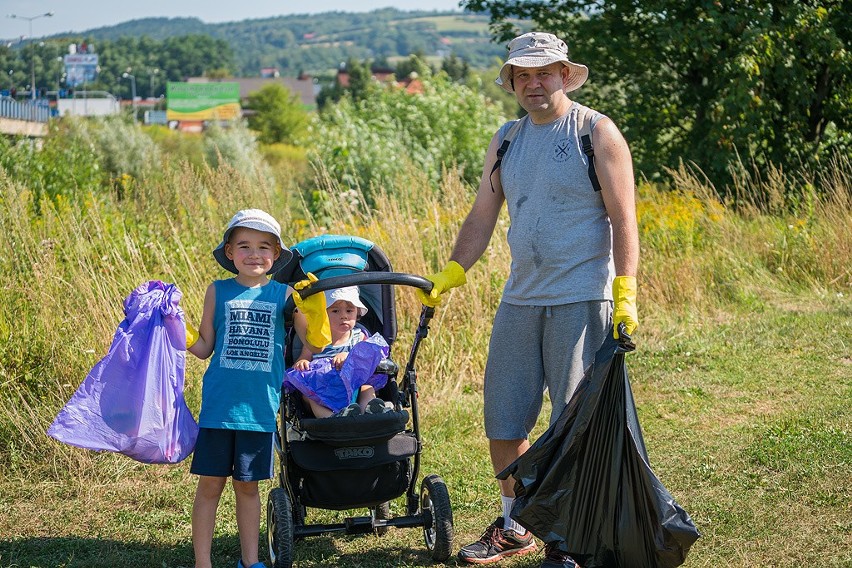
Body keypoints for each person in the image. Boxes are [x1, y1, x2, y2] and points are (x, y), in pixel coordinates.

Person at [417, 32, 640, 568]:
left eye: (543, 73)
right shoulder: (507, 138)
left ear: (564, 75)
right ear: (512, 83)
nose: (533, 83)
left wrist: (626, 289)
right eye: (523, 75)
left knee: (571, 421)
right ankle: (517, 525)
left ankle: (570, 538)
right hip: (520, 298)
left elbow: (624, 217)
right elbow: (482, 214)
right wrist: (453, 270)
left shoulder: (596, 131)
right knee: (504, 417)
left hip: (581, 296)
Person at [184, 209, 330, 568]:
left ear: (276, 255)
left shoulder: (285, 295)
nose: (254, 254)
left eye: (264, 247)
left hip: (259, 411)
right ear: (229, 252)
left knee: (248, 488)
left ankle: (251, 563)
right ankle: (203, 563)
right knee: (210, 487)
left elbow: (316, 343)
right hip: (219, 407)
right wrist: (179, 331)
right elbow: (204, 347)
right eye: (244, 246)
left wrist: (317, 308)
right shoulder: (216, 292)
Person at [292, 285, 386, 417]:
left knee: (367, 388)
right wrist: (302, 362)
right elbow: (304, 358)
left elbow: (369, 359)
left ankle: (370, 411)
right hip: (323, 389)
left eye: (349, 311)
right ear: (324, 315)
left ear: (357, 313)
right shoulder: (316, 340)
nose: (344, 316)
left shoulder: (359, 337)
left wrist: (349, 356)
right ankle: (333, 418)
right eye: (335, 311)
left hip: (354, 387)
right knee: (310, 398)